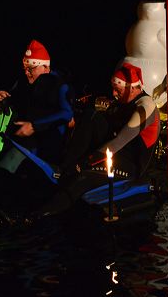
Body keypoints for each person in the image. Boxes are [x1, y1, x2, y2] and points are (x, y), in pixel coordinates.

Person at [36, 62, 160, 216]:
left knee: (83, 178)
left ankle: (36, 216)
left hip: (131, 165)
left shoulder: (146, 106)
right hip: (116, 153)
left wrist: (85, 162)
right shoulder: (123, 101)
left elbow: (119, 141)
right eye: (113, 89)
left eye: (118, 90)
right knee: (91, 116)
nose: (114, 93)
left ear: (133, 88)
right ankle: (65, 165)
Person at [0, 40, 74, 174]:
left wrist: (34, 125)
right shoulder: (24, 82)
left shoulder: (59, 85)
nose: (27, 72)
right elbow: (9, 96)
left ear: (45, 67)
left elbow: (67, 114)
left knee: (13, 155)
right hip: (22, 137)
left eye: (31, 69)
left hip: (46, 142)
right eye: (25, 69)